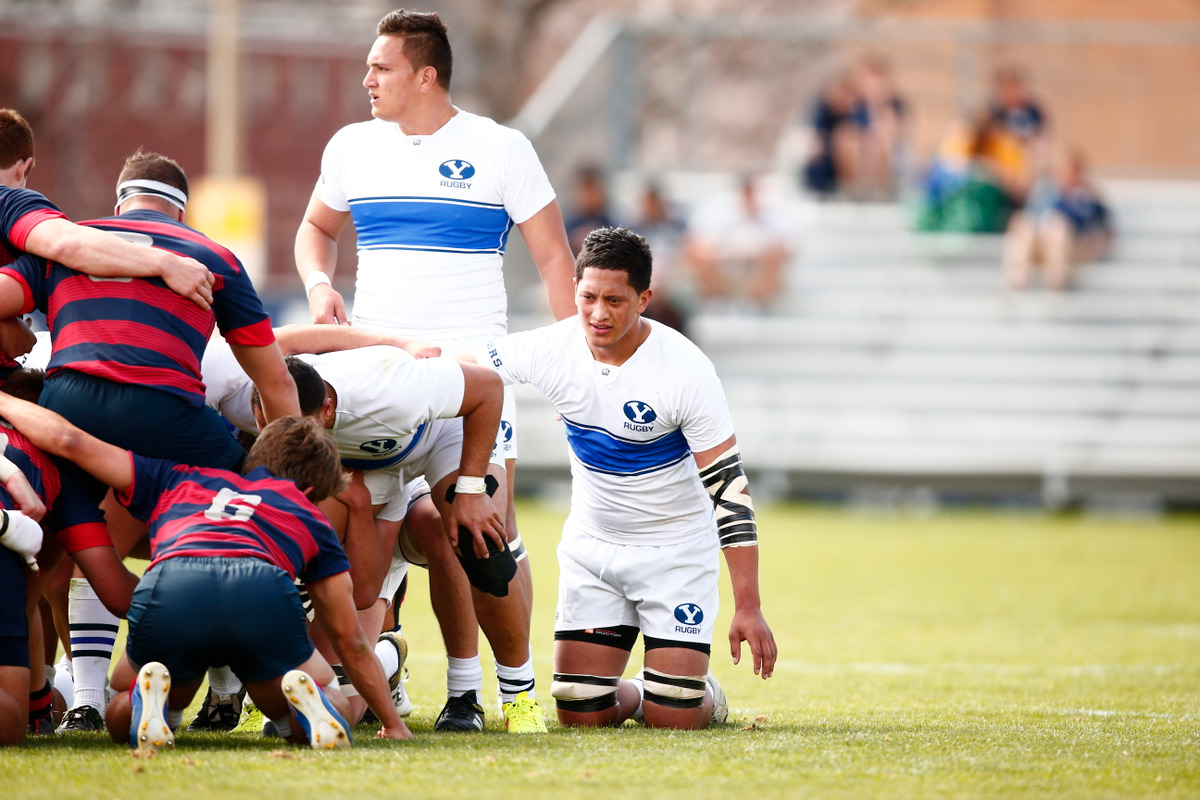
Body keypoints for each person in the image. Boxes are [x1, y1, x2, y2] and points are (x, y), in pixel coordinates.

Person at [295, 8, 576, 733]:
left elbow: (552, 256)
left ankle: (508, 696)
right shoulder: (352, 146)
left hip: (469, 384)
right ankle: (359, 671)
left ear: (425, 75)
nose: (367, 79)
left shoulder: (500, 147)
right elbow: (316, 229)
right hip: (377, 379)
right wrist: (320, 286)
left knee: (482, 537)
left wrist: (572, 350)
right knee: (340, 537)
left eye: (380, 68)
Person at [0, 150, 300, 733]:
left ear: (118, 204)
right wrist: (285, 494)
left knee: (68, 558)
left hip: (69, 407)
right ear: (181, 217)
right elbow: (277, 382)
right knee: (257, 514)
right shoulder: (215, 257)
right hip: (170, 413)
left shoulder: (65, 238)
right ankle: (268, 663)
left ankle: (59, 697)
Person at [467, 227, 777, 729]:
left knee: (673, 719)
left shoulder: (685, 369)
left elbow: (729, 489)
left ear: (644, 298)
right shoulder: (555, 347)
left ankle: (696, 694)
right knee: (579, 714)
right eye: (587, 297)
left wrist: (749, 606)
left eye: (615, 299)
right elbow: (466, 370)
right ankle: (643, 692)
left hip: (674, 552)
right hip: (594, 548)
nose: (598, 313)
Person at [0, 394, 412, 749]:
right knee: (323, 696)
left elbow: (72, 442)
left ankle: (150, 702)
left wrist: (6, 400)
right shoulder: (304, 511)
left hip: (174, 580)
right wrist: (392, 724)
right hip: (260, 589)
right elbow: (351, 639)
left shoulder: (175, 476)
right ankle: (309, 707)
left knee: (122, 701)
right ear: (309, 493)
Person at [1003, 149, 1112, 291]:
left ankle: (1056, 286)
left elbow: (1104, 230)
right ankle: (1016, 284)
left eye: (1070, 171)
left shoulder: (1088, 199)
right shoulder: (1046, 195)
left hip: (1072, 248)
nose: (1065, 176)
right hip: (1042, 245)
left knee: (1057, 227)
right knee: (1022, 224)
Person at [684, 176, 791, 312]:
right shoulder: (718, 213)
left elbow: (785, 246)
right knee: (699, 254)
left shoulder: (774, 215)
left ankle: (755, 304)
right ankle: (717, 302)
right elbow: (701, 242)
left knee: (776, 257)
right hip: (723, 264)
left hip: (758, 267)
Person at [564, 165, 616, 256]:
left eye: (592, 190)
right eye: (585, 191)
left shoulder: (614, 224)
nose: (589, 196)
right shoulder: (567, 228)